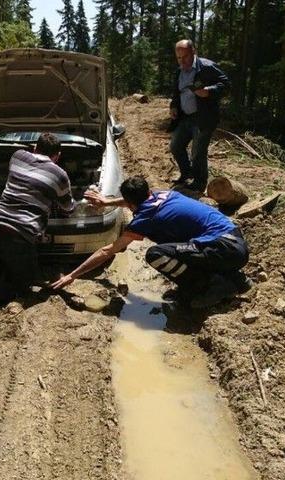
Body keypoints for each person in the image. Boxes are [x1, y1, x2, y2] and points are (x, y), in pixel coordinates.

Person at [51, 176, 251, 309]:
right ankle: (232, 277)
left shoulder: (144, 219)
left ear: (131, 203)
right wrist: (107, 202)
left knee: (156, 254)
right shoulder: (163, 194)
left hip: (224, 248)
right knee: (174, 243)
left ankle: (210, 285)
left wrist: (72, 275)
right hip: (233, 240)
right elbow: (133, 201)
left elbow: (108, 251)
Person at [0, 133, 76, 312]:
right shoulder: (60, 175)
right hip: (22, 234)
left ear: (35, 148)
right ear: (57, 156)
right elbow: (68, 209)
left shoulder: (17, 156)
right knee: (21, 287)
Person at [169, 39, 230, 193]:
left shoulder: (207, 67)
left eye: (185, 57)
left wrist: (209, 91)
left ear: (193, 52)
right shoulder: (179, 71)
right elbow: (177, 92)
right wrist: (174, 106)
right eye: (178, 58)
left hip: (203, 117)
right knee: (176, 146)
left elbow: (226, 84)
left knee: (197, 153)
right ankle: (186, 174)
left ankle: (199, 183)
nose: (182, 61)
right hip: (185, 117)